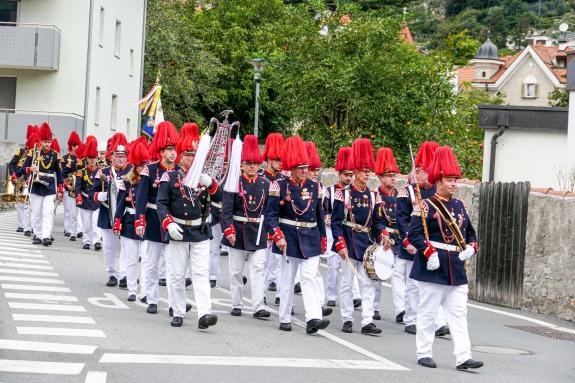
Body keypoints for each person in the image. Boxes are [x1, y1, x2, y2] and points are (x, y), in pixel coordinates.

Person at [408, 146, 483, 371]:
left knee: (459, 315)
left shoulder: (459, 205)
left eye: (455, 180)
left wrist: (471, 247)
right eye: (449, 179)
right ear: (438, 180)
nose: (453, 184)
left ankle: (463, 357)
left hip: (456, 267)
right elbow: (414, 234)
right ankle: (424, 352)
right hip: (433, 265)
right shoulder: (426, 205)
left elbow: (470, 233)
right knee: (428, 313)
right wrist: (428, 252)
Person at [156, 132, 221, 329]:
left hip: (200, 231)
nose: (191, 159)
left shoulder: (203, 177)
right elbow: (161, 204)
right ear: (180, 156)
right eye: (188, 155)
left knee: (201, 273)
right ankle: (177, 311)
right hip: (179, 230)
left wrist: (211, 184)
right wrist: (168, 223)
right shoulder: (170, 176)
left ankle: (204, 314)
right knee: (177, 274)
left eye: (195, 155)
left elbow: (221, 200)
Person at [265, 136, 329, 334]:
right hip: (288, 238)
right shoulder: (279, 185)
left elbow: (318, 215)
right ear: (291, 167)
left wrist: (323, 238)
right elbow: (271, 215)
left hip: (310, 237)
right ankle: (284, 317)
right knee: (287, 280)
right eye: (300, 167)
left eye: (306, 167)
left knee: (309, 277)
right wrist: (278, 236)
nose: (304, 170)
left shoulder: (314, 187)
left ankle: (313, 318)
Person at [331, 138, 384, 335]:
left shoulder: (373, 195)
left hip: (367, 243)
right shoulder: (342, 194)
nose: (367, 174)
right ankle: (346, 318)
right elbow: (336, 223)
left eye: (369, 171)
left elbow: (377, 222)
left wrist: (384, 236)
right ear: (355, 172)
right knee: (347, 282)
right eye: (363, 171)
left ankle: (367, 320)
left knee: (368, 282)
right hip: (349, 239)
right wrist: (340, 244)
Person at [396, 141, 449, 337]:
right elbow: (401, 219)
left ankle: (438, 321)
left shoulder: (436, 193)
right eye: (427, 171)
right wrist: (407, 241)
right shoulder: (407, 191)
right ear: (417, 171)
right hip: (413, 241)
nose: (430, 175)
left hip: (432, 243)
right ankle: (411, 318)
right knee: (413, 283)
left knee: (435, 284)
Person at [221, 135, 271, 319]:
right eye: (248, 163)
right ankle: (236, 303)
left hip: (258, 232)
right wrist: (228, 229)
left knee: (258, 269)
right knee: (236, 271)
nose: (252, 166)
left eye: (255, 163)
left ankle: (258, 306)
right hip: (238, 231)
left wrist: (270, 232)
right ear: (242, 164)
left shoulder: (266, 184)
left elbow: (269, 211)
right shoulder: (233, 182)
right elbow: (226, 211)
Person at [134, 122, 179, 314]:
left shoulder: (180, 172)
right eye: (169, 150)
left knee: (173, 267)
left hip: (173, 222)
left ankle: (173, 303)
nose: (173, 153)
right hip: (153, 220)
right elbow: (141, 197)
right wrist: (140, 220)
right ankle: (152, 299)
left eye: (174, 149)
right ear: (161, 151)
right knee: (151, 264)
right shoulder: (150, 170)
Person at [91, 134, 132, 288]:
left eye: (124, 156)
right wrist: (98, 195)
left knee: (126, 247)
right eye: (118, 156)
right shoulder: (103, 172)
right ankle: (112, 274)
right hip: (107, 213)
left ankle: (124, 275)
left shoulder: (132, 171)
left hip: (126, 214)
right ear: (112, 156)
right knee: (109, 248)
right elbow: (91, 192)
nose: (121, 159)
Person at [113, 139, 150, 302]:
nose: (144, 167)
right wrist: (117, 221)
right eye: (141, 164)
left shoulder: (149, 180)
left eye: (145, 163)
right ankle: (132, 289)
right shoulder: (126, 181)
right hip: (129, 221)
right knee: (131, 258)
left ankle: (146, 291)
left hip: (146, 220)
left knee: (147, 259)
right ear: (135, 165)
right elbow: (120, 204)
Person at [19, 123, 63, 246]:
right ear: (40, 141)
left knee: (47, 212)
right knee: (36, 212)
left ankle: (46, 236)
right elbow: (22, 169)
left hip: (49, 186)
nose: (47, 144)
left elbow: (59, 173)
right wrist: (29, 170)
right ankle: (38, 235)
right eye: (45, 141)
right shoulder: (33, 152)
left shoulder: (55, 155)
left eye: (49, 142)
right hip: (36, 186)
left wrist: (60, 188)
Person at [373, 147, 401, 321]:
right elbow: (376, 219)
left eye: (394, 175)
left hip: (398, 239)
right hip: (382, 238)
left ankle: (401, 310)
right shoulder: (376, 195)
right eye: (389, 175)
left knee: (398, 275)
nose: (393, 178)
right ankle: (375, 307)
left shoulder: (401, 195)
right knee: (378, 274)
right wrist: (383, 235)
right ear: (380, 177)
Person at [305, 141, 332, 317]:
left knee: (314, 273)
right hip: (297, 232)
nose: (315, 174)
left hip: (314, 231)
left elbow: (326, 208)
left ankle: (319, 304)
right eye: (312, 170)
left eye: (317, 170)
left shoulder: (320, 188)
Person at [260, 133, 286, 304]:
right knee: (262, 262)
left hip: (278, 223)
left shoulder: (284, 179)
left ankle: (280, 295)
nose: (279, 163)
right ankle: (259, 294)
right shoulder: (262, 177)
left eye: (280, 160)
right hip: (263, 223)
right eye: (277, 160)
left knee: (279, 262)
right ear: (269, 159)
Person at [8, 125, 36, 235]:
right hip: (20, 180)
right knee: (20, 204)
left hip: (31, 181)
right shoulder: (20, 151)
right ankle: (21, 225)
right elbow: (11, 164)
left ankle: (29, 226)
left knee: (29, 205)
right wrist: (13, 175)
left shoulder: (36, 154)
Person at [75, 138, 101, 251]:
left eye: (94, 158)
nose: (92, 160)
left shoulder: (101, 172)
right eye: (90, 158)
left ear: (97, 158)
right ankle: (86, 241)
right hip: (85, 200)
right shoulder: (82, 171)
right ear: (87, 158)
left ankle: (96, 241)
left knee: (96, 222)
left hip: (97, 201)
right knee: (86, 223)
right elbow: (78, 186)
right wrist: (79, 197)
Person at [62, 131, 83, 241]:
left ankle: (78, 229)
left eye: (77, 145)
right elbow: (62, 174)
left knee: (78, 210)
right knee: (68, 209)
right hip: (69, 186)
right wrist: (66, 185)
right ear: (70, 146)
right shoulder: (65, 158)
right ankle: (68, 228)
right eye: (74, 145)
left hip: (78, 186)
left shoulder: (82, 158)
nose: (76, 147)